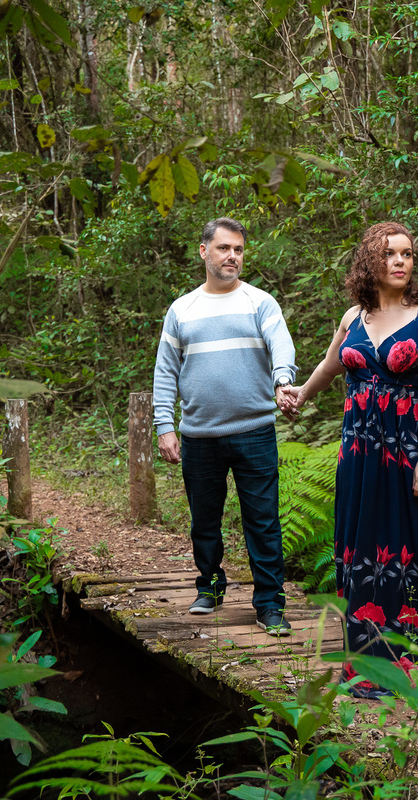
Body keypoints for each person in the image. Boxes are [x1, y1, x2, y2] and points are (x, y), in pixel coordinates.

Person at [285, 221, 418, 695]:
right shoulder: (353, 318)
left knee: (408, 551)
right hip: (359, 454)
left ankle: (416, 668)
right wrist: (302, 392)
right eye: (390, 254)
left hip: (407, 453)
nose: (401, 261)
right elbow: (331, 363)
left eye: (408, 254)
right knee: (360, 551)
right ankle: (364, 666)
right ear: (370, 262)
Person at [152, 217, 298, 637]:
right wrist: (166, 425)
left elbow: (280, 345)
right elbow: (166, 372)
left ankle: (270, 605)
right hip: (199, 435)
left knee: (263, 521)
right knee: (204, 520)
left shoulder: (260, 302)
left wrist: (283, 380)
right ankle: (210, 586)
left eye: (238, 249)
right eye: (223, 248)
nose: (232, 256)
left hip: (254, 431)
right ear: (204, 252)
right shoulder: (182, 309)